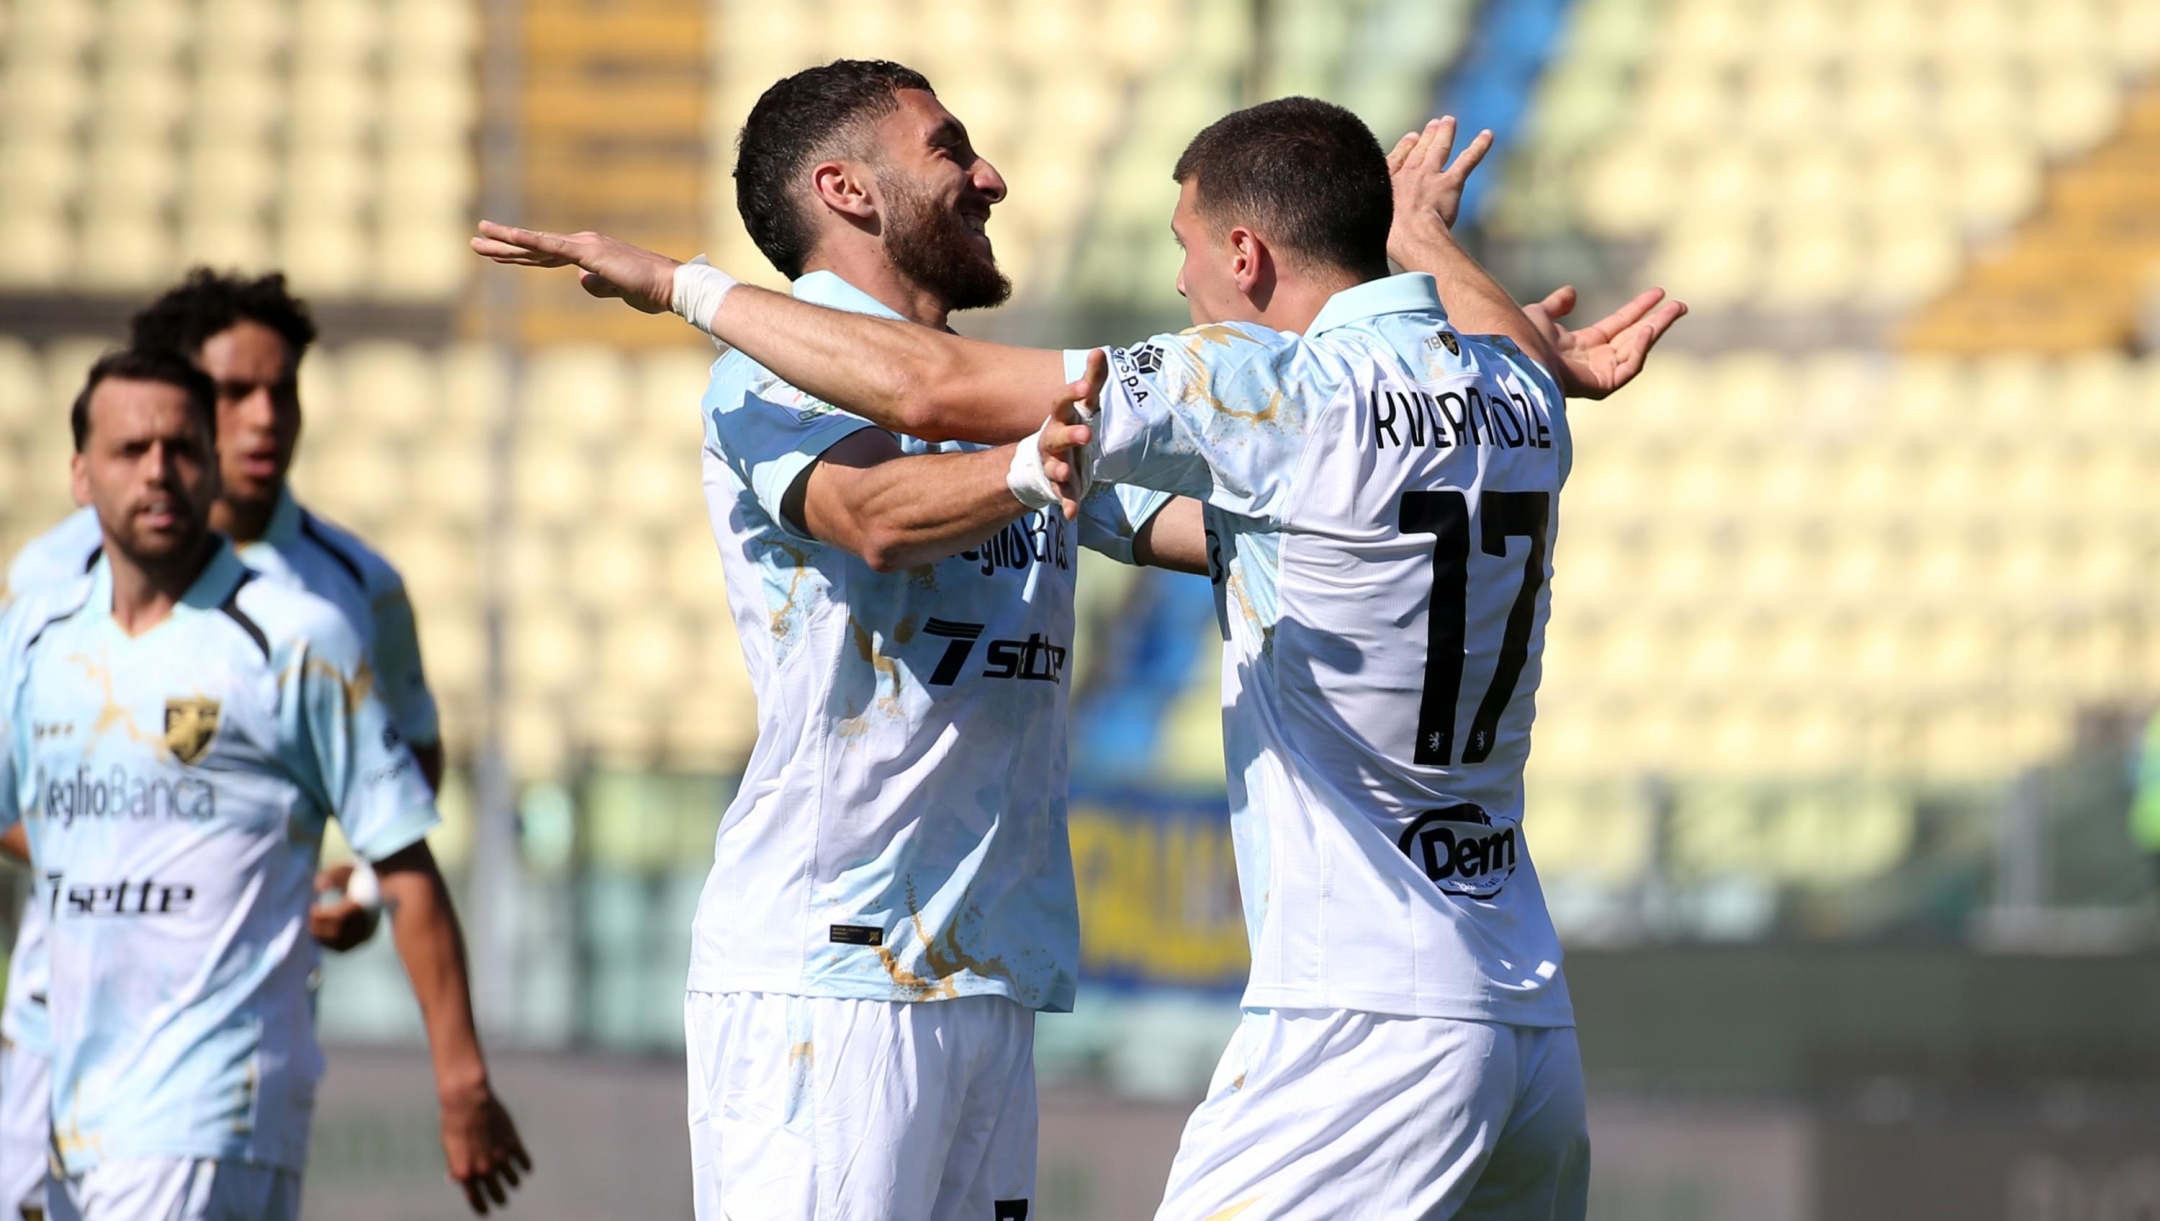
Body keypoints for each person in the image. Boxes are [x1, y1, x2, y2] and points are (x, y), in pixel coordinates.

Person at [474, 96, 1684, 1219]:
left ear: (1247, 254)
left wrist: (677, 284)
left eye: (1187, 248)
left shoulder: (1258, 389)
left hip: (1299, 1007)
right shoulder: (1514, 386)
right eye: (950, 148)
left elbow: (942, 395)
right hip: (837, 967)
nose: (989, 175)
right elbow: (881, 513)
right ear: (843, 190)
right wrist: (1429, 249)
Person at [0, 349, 528, 1219]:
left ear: (210, 466)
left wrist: (461, 1076)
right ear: (80, 475)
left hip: (210, 1103)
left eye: (181, 448)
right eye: (131, 450)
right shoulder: (34, 634)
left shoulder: (296, 640)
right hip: (68, 1097)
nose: (158, 470)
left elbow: (405, 861)